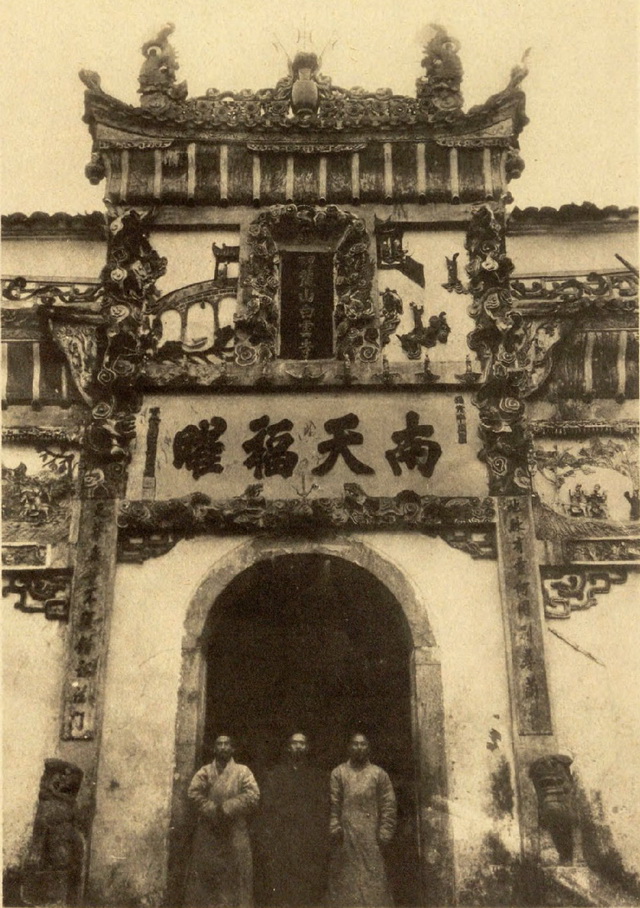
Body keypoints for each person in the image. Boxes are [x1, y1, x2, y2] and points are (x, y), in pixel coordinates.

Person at [184, 735, 260, 907]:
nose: (224, 747)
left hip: (235, 830)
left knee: (236, 876)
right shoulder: (204, 772)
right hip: (209, 830)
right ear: (214, 749)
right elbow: (193, 793)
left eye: (227, 744)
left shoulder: (243, 771)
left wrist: (228, 807)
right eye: (219, 744)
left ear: (233, 749)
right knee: (206, 875)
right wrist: (211, 809)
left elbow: (253, 795)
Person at [258, 732, 330, 907]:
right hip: (283, 834)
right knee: (282, 880)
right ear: (288, 747)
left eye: (302, 744)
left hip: (307, 834)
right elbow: (268, 805)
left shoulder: (316, 776)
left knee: (306, 879)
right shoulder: (276, 774)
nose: (298, 747)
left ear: (307, 748)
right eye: (294, 743)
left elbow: (322, 806)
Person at [327, 733, 397, 908]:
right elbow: (333, 803)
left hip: (371, 837)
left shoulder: (379, 774)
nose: (359, 748)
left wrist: (384, 833)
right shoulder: (339, 773)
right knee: (345, 882)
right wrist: (335, 827)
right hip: (346, 837)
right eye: (355, 744)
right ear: (349, 747)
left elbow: (389, 805)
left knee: (373, 882)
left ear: (369, 747)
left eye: (363, 744)